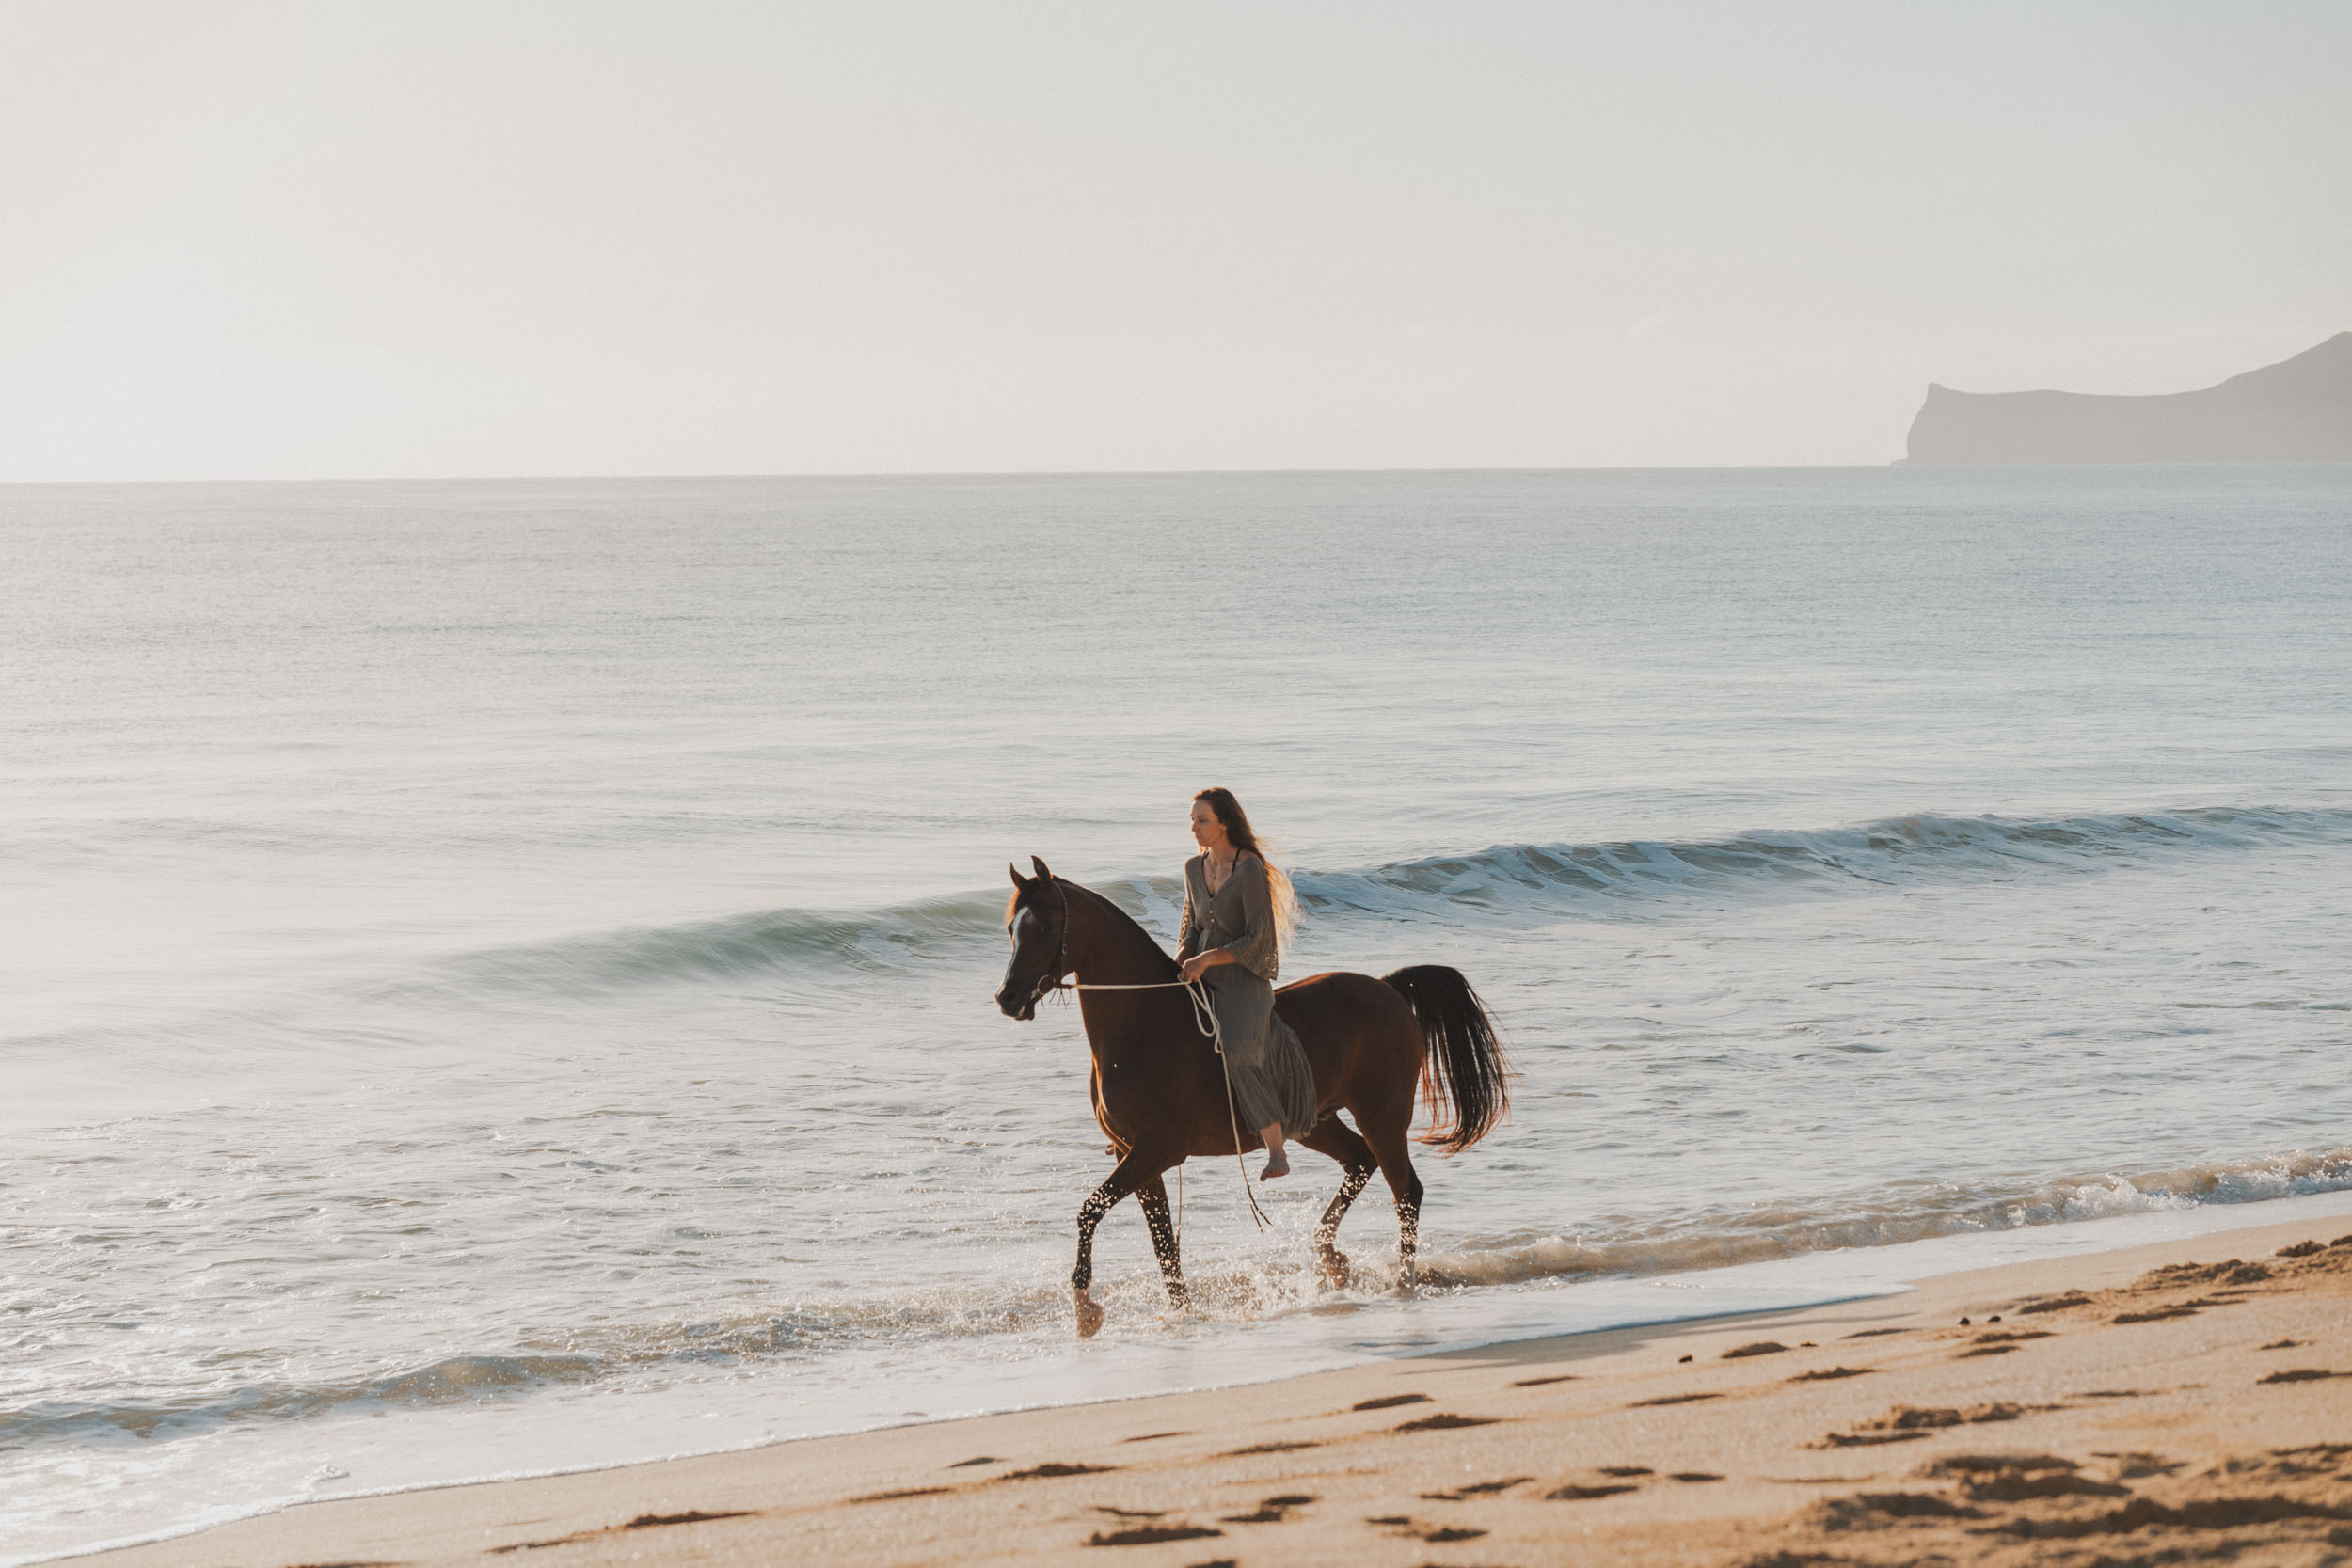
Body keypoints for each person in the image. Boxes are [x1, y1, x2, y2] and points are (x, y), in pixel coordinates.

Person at [1175, 787, 1319, 1180]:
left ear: (1224, 823)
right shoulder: (1193, 868)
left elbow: (1259, 939)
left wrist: (1208, 958)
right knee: (1160, 1032)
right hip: (1198, 974)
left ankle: (1276, 1150)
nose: (1194, 828)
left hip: (1242, 981)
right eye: (1192, 820)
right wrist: (1181, 959)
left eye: (1202, 820)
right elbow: (1191, 927)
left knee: (1239, 1052)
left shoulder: (1249, 869)